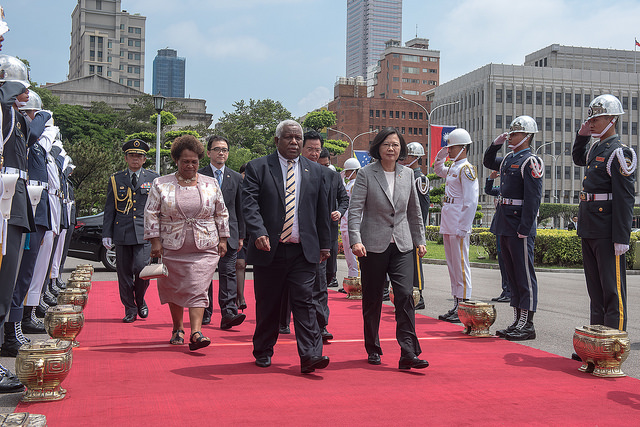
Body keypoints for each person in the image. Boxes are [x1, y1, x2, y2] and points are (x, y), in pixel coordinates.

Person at [242, 119, 331, 374]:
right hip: (270, 249)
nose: (294, 142)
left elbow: (321, 211)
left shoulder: (315, 171)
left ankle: (311, 355)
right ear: (276, 140)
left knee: (305, 302)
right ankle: (263, 349)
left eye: (297, 138)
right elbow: (250, 205)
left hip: (303, 251)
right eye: (288, 137)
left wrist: (325, 244)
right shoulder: (258, 168)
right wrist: (258, 232)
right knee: (268, 303)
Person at [348, 127, 428, 370]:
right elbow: (355, 210)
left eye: (395, 144)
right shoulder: (365, 174)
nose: (391, 149)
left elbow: (414, 211)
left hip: (402, 244)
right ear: (378, 148)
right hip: (372, 245)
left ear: (401, 148)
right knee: (373, 299)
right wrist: (355, 239)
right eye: (386, 144)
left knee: (404, 295)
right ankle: (372, 346)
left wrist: (420, 239)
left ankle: (408, 352)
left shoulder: (408, 175)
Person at [145, 135, 229, 351]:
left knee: (199, 287)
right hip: (172, 246)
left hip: (205, 246)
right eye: (185, 161)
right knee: (174, 288)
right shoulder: (160, 184)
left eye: (194, 161)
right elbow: (151, 213)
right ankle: (177, 328)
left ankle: (196, 332)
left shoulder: (211, 183)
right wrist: (155, 241)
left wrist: (223, 238)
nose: (190, 165)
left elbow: (221, 213)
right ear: (176, 160)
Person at [572, 94, 636, 334]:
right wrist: (581, 136)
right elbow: (578, 157)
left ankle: (612, 343)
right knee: (595, 290)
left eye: (597, 119)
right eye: (591, 118)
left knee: (612, 289)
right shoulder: (595, 149)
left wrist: (622, 237)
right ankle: (596, 340)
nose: (592, 123)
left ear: (612, 119)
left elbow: (624, 198)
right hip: (590, 225)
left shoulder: (620, 153)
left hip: (607, 230)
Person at [483, 115, 543, 341]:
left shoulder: (531, 161)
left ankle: (527, 323)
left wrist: (525, 227)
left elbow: (533, 198)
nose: (511, 136)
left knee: (524, 275)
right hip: (505, 222)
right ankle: (517, 319)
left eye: (515, 133)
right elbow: (489, 162)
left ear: (527, 136)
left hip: (519, 224)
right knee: (512, 274)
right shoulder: (508, 158)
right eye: (510, 132)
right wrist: (495, 143)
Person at [102, 139, 159, 323]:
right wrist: (106, 234)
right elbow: (110, 208)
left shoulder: (153, 179)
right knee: (124, 273)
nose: (136, 159)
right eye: (132, 156)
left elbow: (159, 208)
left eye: (139, 156)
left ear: (144, 160)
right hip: (122, 231)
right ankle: (130, 308)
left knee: (142, 269)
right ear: (126, 158)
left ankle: (140, 299)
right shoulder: (116, 179)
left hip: (144, 232)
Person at [199, 135, 246, 330]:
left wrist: (242, 235)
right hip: (204, 233)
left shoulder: (235, 177)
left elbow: (240, 208)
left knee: (228, 273)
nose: (221, 153)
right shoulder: (199, 175)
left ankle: (228, 312)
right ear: (209, 152)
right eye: (217, 149)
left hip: (230, 234)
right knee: (205, 275)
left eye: (224, 150)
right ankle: (204, 311)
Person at [433, 129, 479, 323]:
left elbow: (471, 201)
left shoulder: (466, 169)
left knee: (461, 266)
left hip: (458, 224)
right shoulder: (453, 167)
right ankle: (456, 303)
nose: (450, 150)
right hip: (449, 222)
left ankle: (464, 305)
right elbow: (438, 170)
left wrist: (464, 226)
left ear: (463, 148)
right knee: (452, 266)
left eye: (452, 147)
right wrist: (442, 153)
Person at [399, 142, 430, 310]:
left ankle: (420, 295)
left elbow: (422, 208)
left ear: (416, 158)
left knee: (415, 264)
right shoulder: (406, 175)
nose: (404, 159)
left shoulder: (420, 178)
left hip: (413, 229)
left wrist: (419, 232)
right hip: (404, 228)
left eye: (408, 156)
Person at [485, 170, 511, 303]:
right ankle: (505, 289)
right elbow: (488, 190)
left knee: (508, 260)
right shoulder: (500, 189)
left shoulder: (513, 188)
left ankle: (510, 291)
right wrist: (490, 178)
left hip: (508, 227)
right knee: (502, 260)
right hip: (499, 227)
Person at [339, 157, 361, 282]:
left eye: (347, 171)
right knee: (348, 253)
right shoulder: (348, 184)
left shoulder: (356, 185)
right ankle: (351, 278)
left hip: (352, 223)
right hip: (345, 221)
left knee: (353, 254)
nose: (346, 173)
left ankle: (356, 280)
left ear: (353, 171)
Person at [236, 163, 249, 311]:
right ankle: (240, 297)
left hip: (254, 232)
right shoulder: (236, 184)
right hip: (240, 231)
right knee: (240, 264)